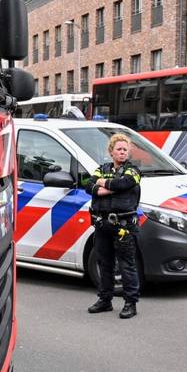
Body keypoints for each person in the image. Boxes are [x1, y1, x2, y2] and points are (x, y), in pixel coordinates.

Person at [84, 133, 142, 319]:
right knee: (104, 264)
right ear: (111, 152)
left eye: (125, 149)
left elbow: (125, 183)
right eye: (119, 149)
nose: (123, 152)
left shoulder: (133, 171)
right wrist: (108, 186)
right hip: (102, 224)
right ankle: (105, 300)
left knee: (126, 266)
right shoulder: (103, 169)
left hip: (123, 226)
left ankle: (130, 303)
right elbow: (88, 185)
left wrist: (104, 186)